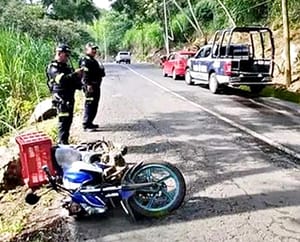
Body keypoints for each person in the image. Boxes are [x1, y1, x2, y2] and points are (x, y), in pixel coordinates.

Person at [46, 44, 83, 144]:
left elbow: (73, 81)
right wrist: (75, 74)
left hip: (69, 97)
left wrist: (80, 83)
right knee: (63, 122)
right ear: (59, 53)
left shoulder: (66, 67)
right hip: (61, 99)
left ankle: (65, 143)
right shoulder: (53, 68)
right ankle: (62, 144)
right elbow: (62, 80)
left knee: (68, 122)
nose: (67, 57)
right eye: (66, 55)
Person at [79, 42, 105, 131]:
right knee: (89, 105)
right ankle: (86, 124)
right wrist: (88, 84)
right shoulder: (85, 60)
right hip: (90, 87)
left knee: (94, 105)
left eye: (95, 49)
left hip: (96, 85)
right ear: (87, 50)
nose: (94, 51)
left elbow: (100, 72)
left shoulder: (93, 60)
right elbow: (85, 74)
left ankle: (90, 123)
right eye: (92, 49)